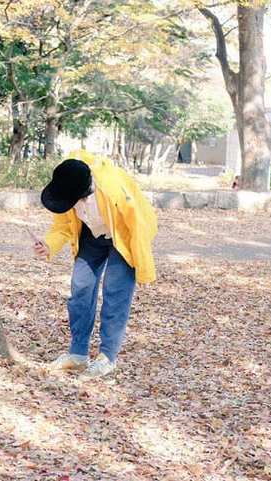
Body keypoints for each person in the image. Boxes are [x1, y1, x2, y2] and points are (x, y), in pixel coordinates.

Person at [34, 152, 158, 378]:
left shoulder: (113, 190)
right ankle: (78, 354)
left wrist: (143, 268)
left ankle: (107, 357)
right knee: (80, 288)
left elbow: (141, 226)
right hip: (91, 237)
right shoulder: (70, 184)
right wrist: (49, 245)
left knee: (115, 292)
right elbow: (62, 225)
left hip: (123, 237)